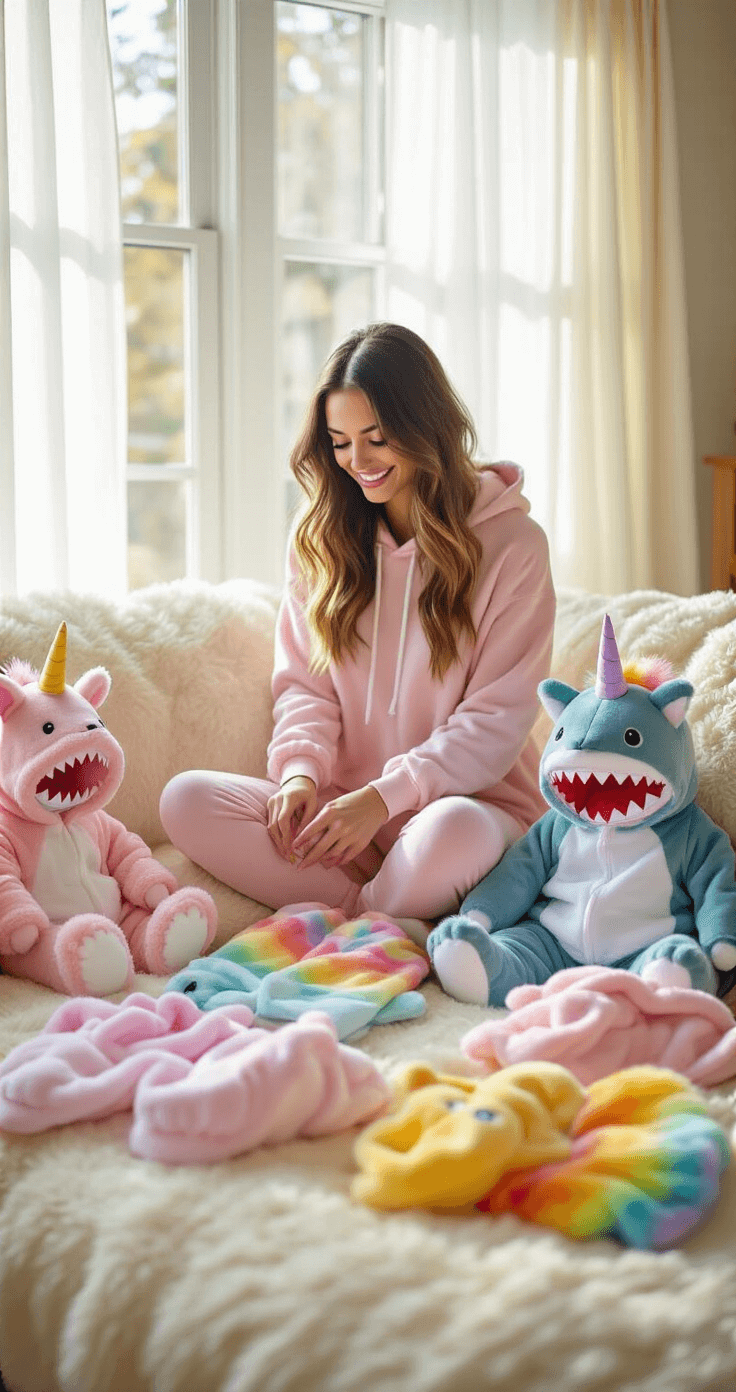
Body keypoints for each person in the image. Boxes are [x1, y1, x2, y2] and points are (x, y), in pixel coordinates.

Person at [159, 322, 556, 932]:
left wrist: (383, 800)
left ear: (428, 428)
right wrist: (298, 773)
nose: (357, 462)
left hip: (466, 806)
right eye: (340, 441)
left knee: (454, 834)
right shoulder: (321, 540)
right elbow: (306, 687)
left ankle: (356, 917)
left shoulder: (513, 546)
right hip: (343, 814)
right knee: (185, 800)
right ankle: (371, 912)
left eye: (377, 438)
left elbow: (496, 723)